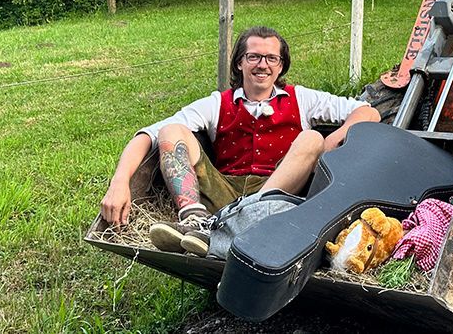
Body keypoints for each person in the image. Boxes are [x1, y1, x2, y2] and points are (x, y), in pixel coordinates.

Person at [99, 26, 380, 256]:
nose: (263, 65)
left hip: (276, 196)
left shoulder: (303, 98)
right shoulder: (217, 103)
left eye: (272, 58)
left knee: (311, 138)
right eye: (254, 57)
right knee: (171, 130)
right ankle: (196, 222)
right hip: (223, 191)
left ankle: (232, 227)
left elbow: (369, 112)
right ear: (239, 62)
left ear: (281, 66)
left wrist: (330, 143)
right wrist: (120, 181)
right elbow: (148, 134)